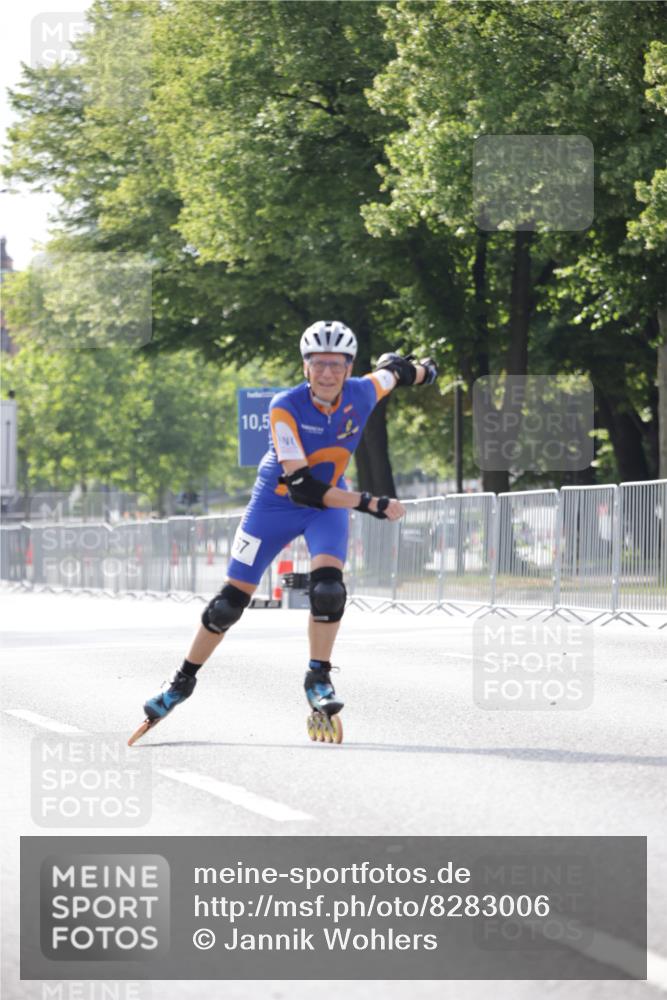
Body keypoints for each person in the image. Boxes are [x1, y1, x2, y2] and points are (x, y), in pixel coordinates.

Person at [137, 321, 437, 740]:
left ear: (349, 368)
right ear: (305, 367)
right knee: (228, 605)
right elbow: (304, 486)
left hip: (324, 509)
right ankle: (181, 681)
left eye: (336, 365)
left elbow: (398, 373)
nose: (327, 374)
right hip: (276, 503)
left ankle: (318, 676)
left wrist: (424, 369)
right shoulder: (284, 406)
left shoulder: (363, 391)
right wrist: (372, 503)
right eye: (318, 365)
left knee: (328, 591)